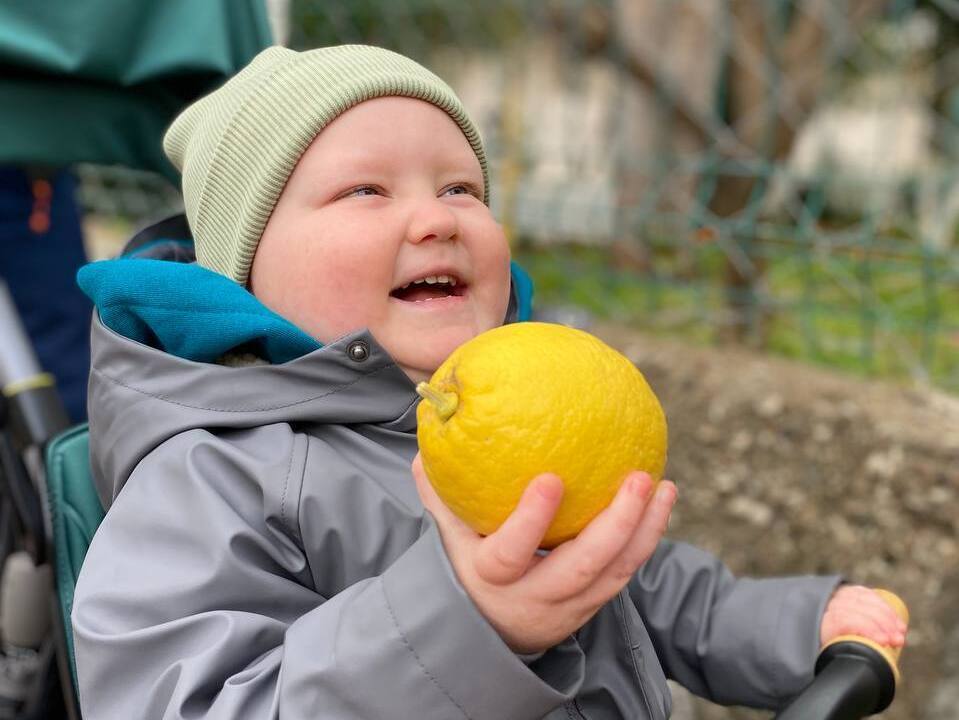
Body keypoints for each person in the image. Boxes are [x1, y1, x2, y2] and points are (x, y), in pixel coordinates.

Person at [71, 45, 906, 719]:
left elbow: (633, 582)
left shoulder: (523, 412)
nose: (437, 218)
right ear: (245, 269)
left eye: (461, 188)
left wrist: (793, 627)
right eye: (365, 190)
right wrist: (465, 623)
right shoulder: (208, 476)